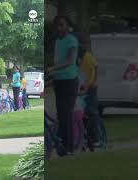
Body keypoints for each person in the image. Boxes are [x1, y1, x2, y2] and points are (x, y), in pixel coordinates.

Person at [48, 16, 79, 155]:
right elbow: (58, 60)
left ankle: (69, 147)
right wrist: (51, 77)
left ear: (67, 26)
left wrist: (53, 68)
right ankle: (62, 145)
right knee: (60, 115)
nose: (59, 28)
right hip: (59, 81)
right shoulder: (57, 41)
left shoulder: (71, 40)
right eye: (57, 25)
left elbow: (70, 61)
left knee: (66, 114)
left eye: (62, 25)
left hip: (70, 81)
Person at [78, 45, 106, 149]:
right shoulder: (79, 58)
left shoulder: (87, 56)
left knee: (92, 112)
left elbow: (96, 67)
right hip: (83, 85)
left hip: (91, 87)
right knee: (82, 112)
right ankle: (85, 137)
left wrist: (94, 82)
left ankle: (96, 139)